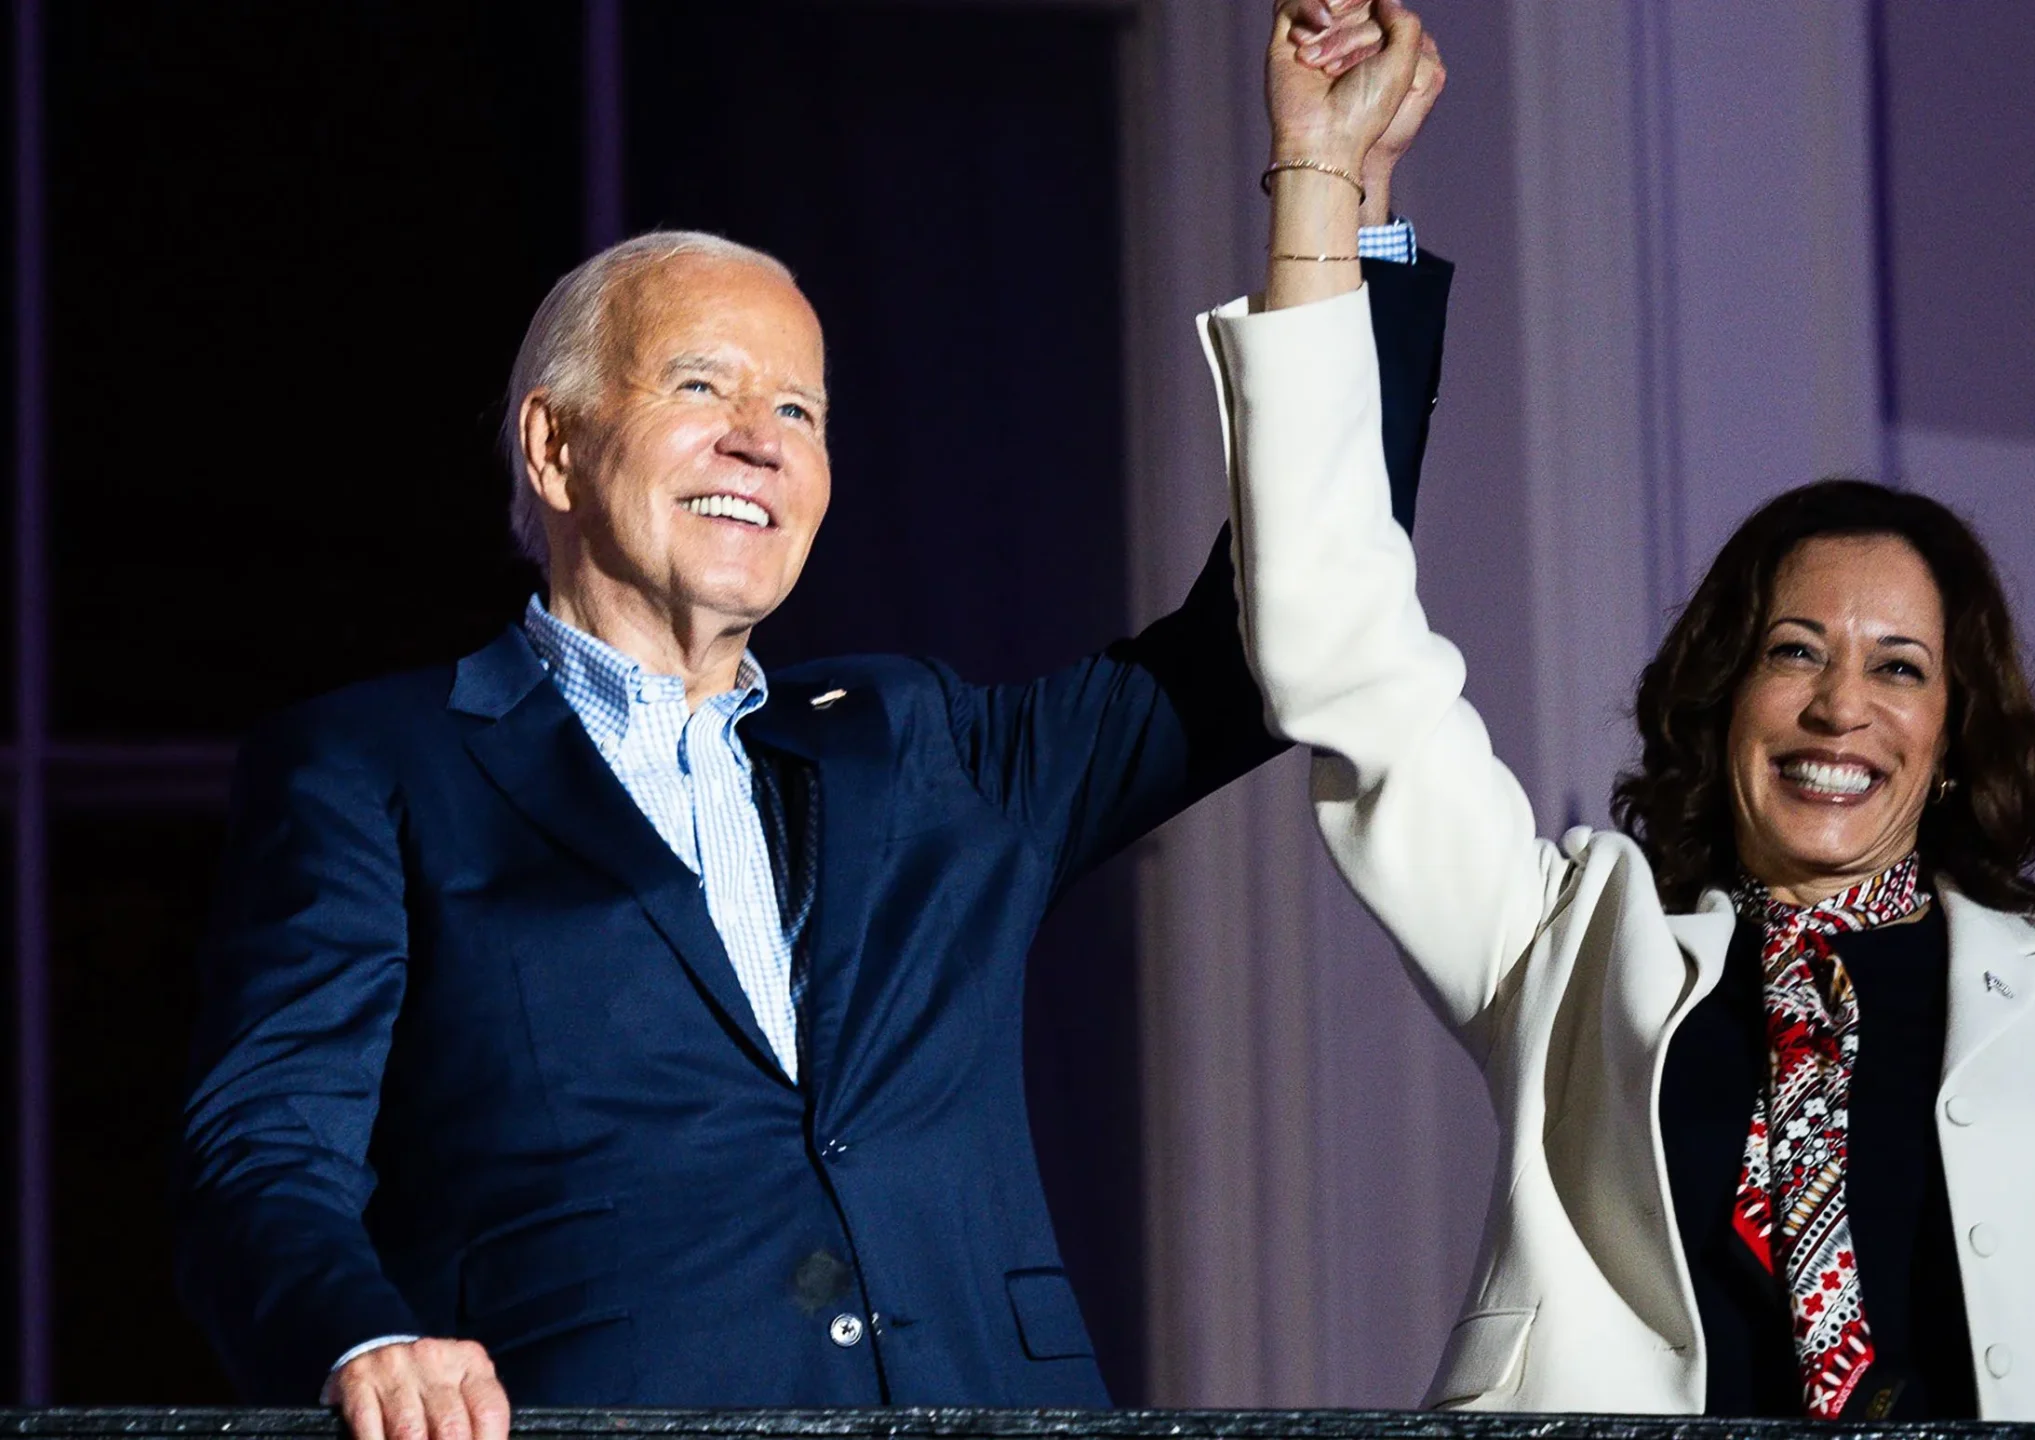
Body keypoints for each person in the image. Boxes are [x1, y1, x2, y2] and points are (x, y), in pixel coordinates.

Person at [174, 6, 1446, 1432]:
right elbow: (262, 1152)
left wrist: (1332, 192)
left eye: (802, 409)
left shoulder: (921, 747)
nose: (760, 440)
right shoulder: (375, 769)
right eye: (701, 386)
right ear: (554, 445)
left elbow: (1282, 629)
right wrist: (362, 1343)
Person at [1203, 3, 2035, 1423]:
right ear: (1723, 699)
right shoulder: (1572, 957)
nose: (1843, 706)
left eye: (1900, 666)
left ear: (1957, 734)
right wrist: (1327, 182)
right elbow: (1336, 642)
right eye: (1794, 651)